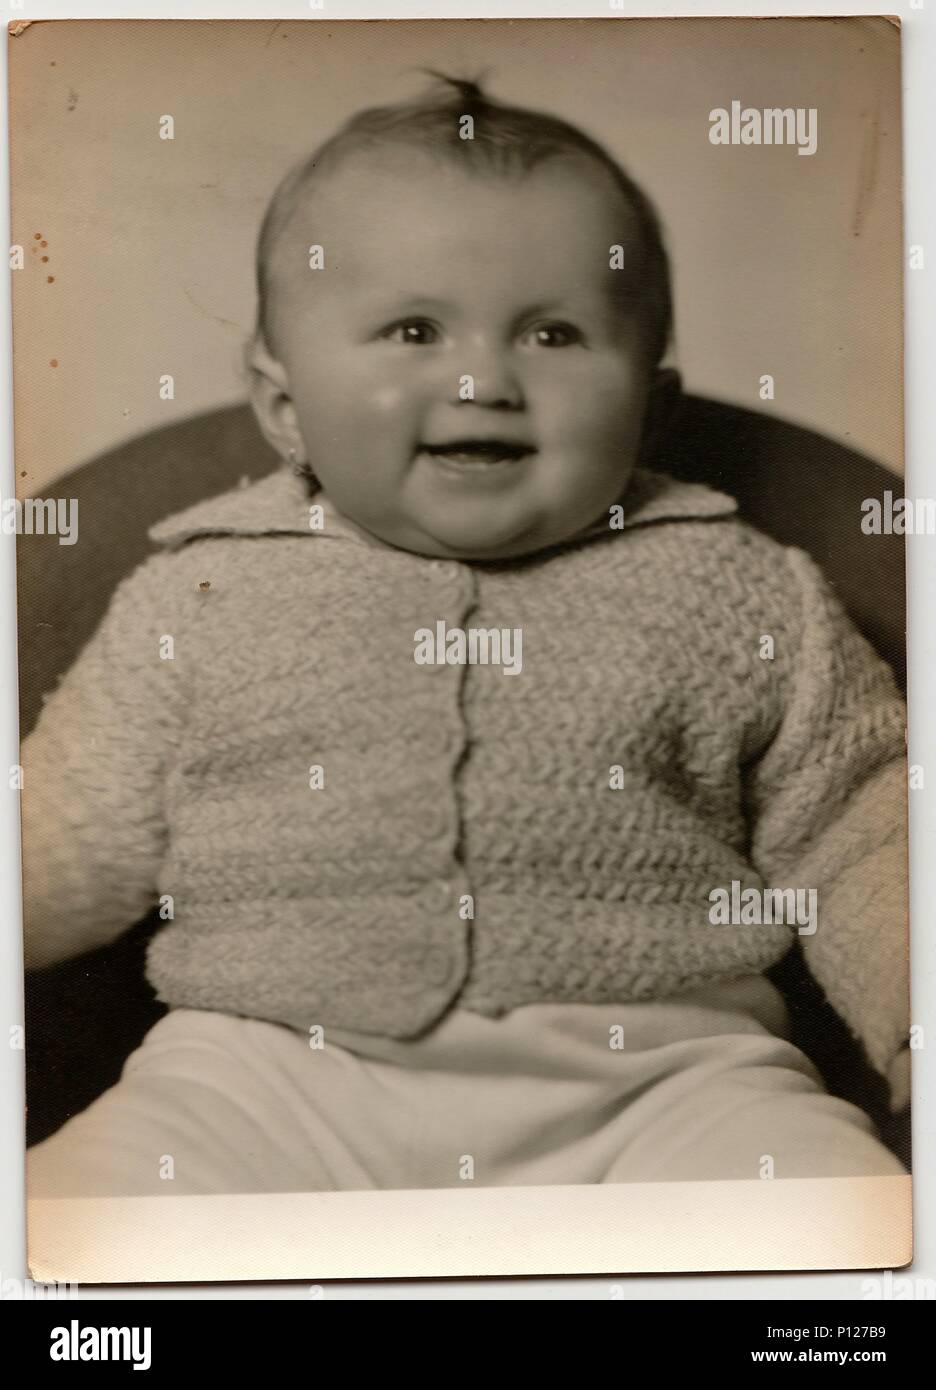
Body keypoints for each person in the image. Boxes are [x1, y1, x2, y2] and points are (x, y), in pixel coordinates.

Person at [23, 77, 909, 1197]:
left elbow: (864, 826)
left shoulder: (739, 587)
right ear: (283, 404)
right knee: (77, 1209)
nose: (484, 379)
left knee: (836, 1205)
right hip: (265, 1077)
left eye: (553, 331)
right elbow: (62, 828)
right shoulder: (198, 592)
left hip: (667, 1079)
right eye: (413, 329)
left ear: (652, 403)